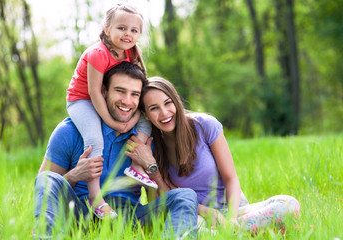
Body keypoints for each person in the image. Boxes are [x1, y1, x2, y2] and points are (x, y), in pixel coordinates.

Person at [34, 62, 198, 239]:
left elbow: (156, 198)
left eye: (134, 94)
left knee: (185, 196)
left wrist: (150, 166)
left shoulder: (147, 137)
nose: (127, 101)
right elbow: (45, 188)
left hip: (130, 219)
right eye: (120, 91)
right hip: (80, 217)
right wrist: (75, 175)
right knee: (48, 178)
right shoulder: (70, 131)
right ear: (104, 92)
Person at [125, 77, 300, 233]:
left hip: (236, 212)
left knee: (288, 204)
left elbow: (230, 178)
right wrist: (151, 169)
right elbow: (161, 203)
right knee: (192, 229)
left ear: (176, 101)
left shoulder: (205, 126)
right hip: (195, 217)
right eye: (154, 108)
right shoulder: (151, 145)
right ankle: (249, 234)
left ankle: (231, 234)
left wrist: (230, 220)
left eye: (168, 103)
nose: (164, 113)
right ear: (146, 115)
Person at [65, 3, 157, 219]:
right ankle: (95, 198)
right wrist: (115, 123)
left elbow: (141, 83)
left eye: (134, 30)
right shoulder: (98, 53)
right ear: (108, 29)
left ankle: (136, 165)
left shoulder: (132, 51)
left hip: (111, 98)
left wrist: (137, 114)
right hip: (82, 100)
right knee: (95, 139)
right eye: (122, 28)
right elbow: (95, 93)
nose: (128, 34)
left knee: (146, 119)